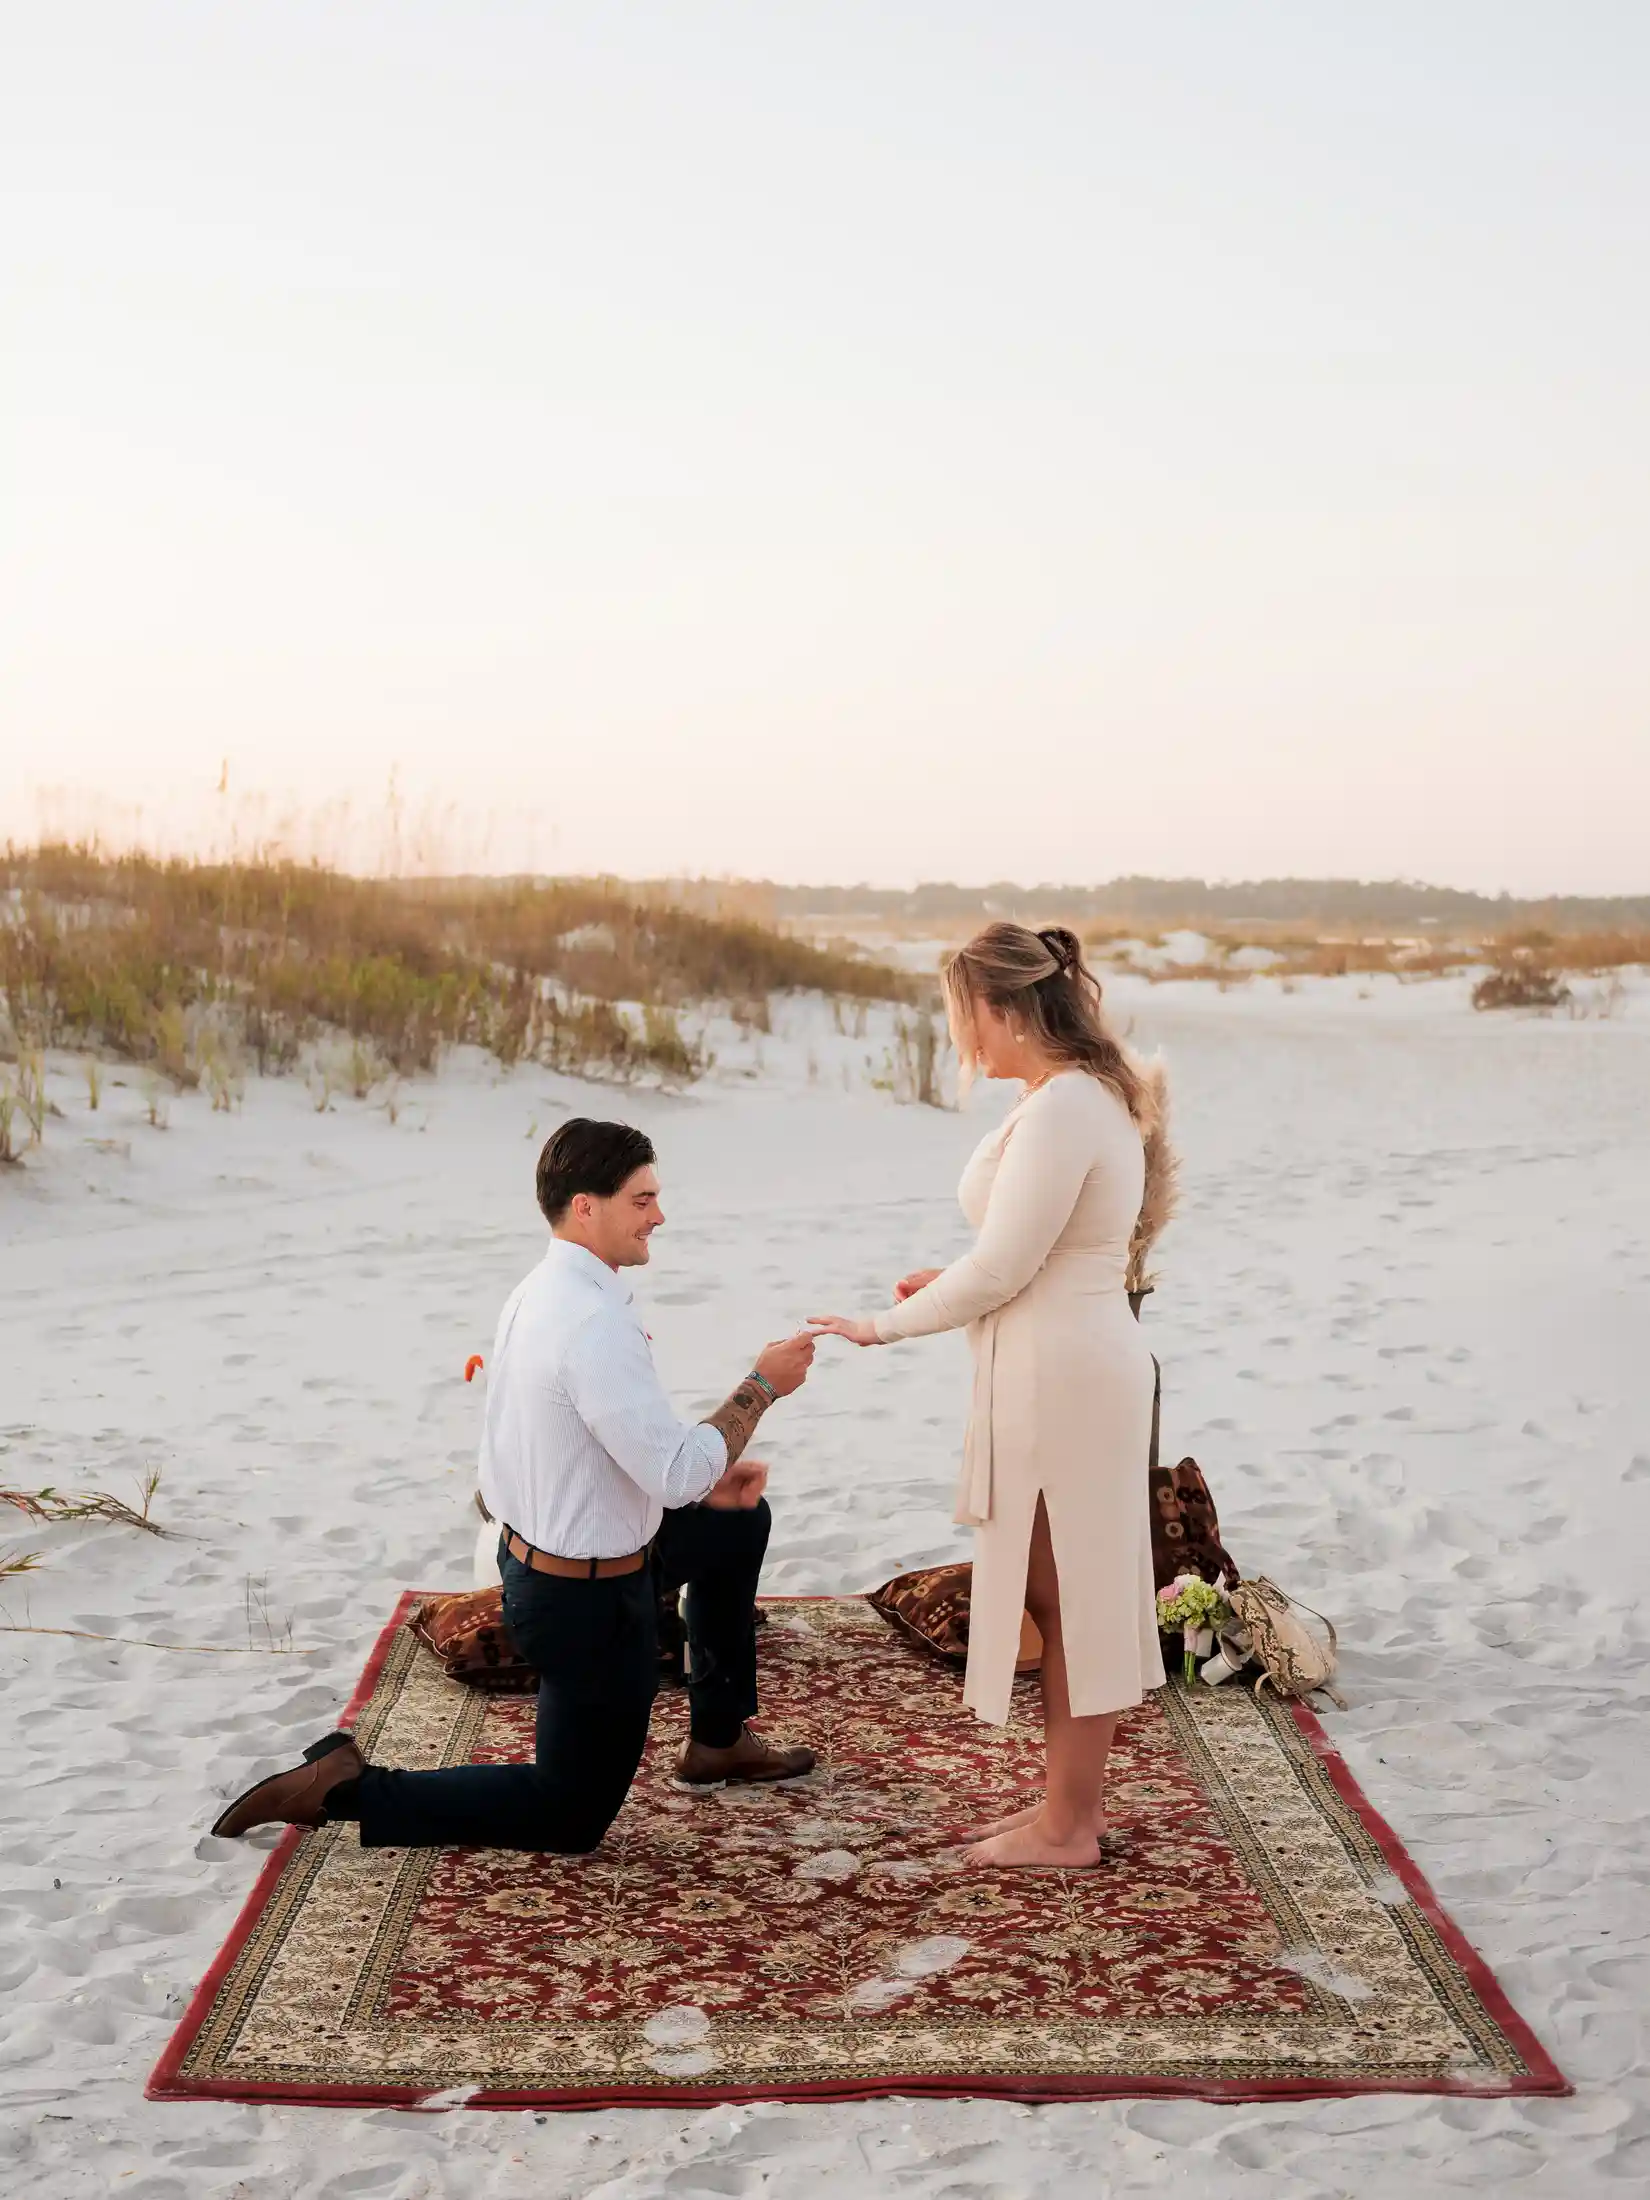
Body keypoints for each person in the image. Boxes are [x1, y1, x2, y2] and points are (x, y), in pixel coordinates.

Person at [211, 1118, 817, 1851]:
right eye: (642, 1199)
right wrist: (761, 1386)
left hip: (562, 1559)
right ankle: (341, 1788)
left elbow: (580, 1456)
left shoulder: (544, 1288)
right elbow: (678, 1469)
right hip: (583, 1604)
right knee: (569, 1814)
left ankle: (718, 1739)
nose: (660, 1215)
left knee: (733, 1525)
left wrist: (699, 1491)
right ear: (586, 1206)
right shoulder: (592, 1323)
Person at [810, 923, 1166, 1870]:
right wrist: (954, 1276)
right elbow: (1025, 1252)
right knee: (1058, 1602)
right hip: (1053, 1359)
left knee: (1073, 1605)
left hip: (1069, 1377)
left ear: (1003, 1009)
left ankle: (1069, 1827)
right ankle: (1065, 1813)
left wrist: (879, 1327)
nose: (961, 1034)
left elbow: (1009, 1265)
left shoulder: (1065, 1110)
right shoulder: (1057, 1099)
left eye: (962, 1013)